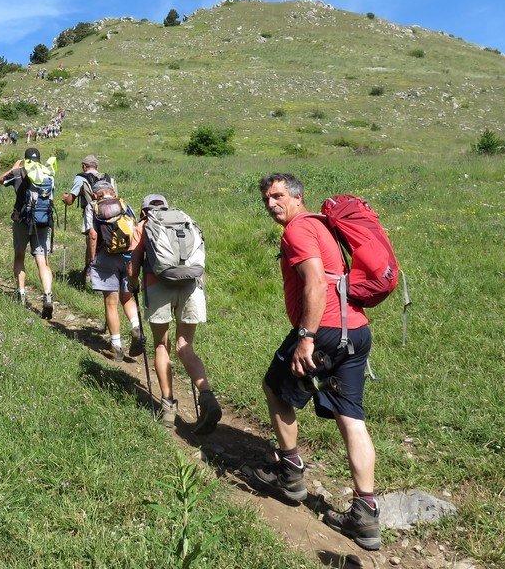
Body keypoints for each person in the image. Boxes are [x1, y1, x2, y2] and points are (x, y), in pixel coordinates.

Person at [251, 173, 380, 551]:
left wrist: (305, 339)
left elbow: (316, 283)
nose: (272, 204)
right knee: (351, 417)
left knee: (275, 388)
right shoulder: (324, 225)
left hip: (322, 330)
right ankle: (365, 513)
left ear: (297, 196)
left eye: (277, 196)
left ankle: (290, 473)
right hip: (356, 330)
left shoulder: (298, 231)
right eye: (266, 199)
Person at [129, 194, 221, 433]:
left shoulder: (143, 225)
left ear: (143, 210)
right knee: (184, 346)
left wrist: (132, 283)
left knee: (161, 345)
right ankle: (207, 395)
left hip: (157, 285)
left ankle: (168, 405)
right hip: (191, 285)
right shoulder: (185, 220)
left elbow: (134, 263)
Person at [87, 180, 143, 362]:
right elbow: (135, 228)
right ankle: (136, 326)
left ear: (96, 194)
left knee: (111, 303)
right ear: (111, 191)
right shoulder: (124, 204)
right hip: (128, 258)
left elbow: (93, 235)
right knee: (127, 297)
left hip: (106, 258)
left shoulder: (93, 207)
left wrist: (92, 259)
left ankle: (116, 347)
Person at [0, 147, 55, 319]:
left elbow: (0, 180)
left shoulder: (19, 172)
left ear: (26, 159)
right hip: (43, 222)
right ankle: (47, 295)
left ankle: (21, 293)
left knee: (19, 257)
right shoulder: (48, 173)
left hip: (22, 221)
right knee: (43, 262)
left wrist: (15, 166)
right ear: (39, 159)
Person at [61, 154, 113, 284]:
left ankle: (90, 269)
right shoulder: (108, 178)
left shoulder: (80, 178)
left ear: (84, 167)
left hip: (91, 213)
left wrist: (65, 198)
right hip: (111, 214)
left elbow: (70, 201)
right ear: (97, 166)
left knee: (91, 240)